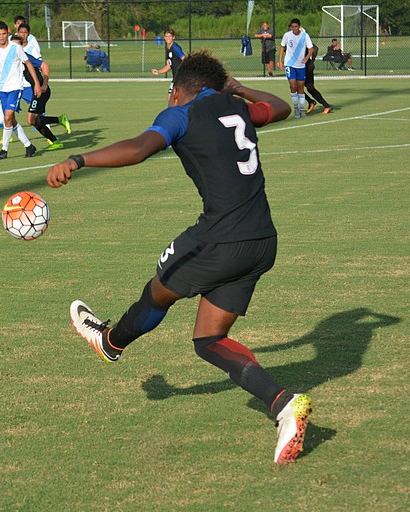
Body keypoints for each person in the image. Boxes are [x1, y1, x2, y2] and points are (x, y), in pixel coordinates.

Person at [46, 50, 313, 465]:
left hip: (219, 239)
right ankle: (284, 405)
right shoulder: (236, 106)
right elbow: (278, 107)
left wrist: (78, 159)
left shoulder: (181, 113)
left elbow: (139, 147)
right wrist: (238, 88)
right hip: (262, 240)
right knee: (209, 339)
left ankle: (110, 342)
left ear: (177, 89)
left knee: (159, 290)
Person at [0, 21, 41, 160]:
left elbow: (28, 63)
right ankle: (29, 146)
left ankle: (4, 150)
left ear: (8, 33)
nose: (1, 36)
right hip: (2, 88)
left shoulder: (16, 48)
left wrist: (36, 83)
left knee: (7, 117)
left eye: (4, 34)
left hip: (15, 87)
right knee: (11, 120)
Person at [16, 24, 71, 151]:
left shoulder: (26, 56)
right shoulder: (15, 58)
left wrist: (44, 84)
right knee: (35, 120)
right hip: (35, 90)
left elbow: (45, 65)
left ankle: (60, 120)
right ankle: (56, 141)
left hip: (41, 90)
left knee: (31, 120)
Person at [278, 18, 313, 118]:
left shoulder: (305, 35)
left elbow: (311, 49)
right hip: (289, 64)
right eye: (292, 27)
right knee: (293, 86)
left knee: (301, 87)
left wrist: (306, 57)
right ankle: (296, 108)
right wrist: (280, 61)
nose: (294, 28)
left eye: (296, 26)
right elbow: (282, 47)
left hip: (300, 65)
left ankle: (302, 109)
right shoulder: (287, 35)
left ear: (299, 26)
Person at [151, 27, 186, 102]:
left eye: (170, 36)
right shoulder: (168, 49)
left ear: (173, 37)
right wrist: (158, 71)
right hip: (176, 77)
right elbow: (169, 66)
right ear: (164, 38)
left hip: (180, 77)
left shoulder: (175, 48)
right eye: (166, 36)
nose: (168, 38)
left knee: (171, 98)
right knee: (172, 98)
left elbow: (185, 59)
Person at [304, 44, 332, 114]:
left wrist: (312, 61)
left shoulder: (303, 39)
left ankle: (325, 106)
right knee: (295, 88)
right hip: (297, 67)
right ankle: (312, 102)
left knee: (309, 88)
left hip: (306, 67)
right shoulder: (289, 41)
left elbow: (315, 48)